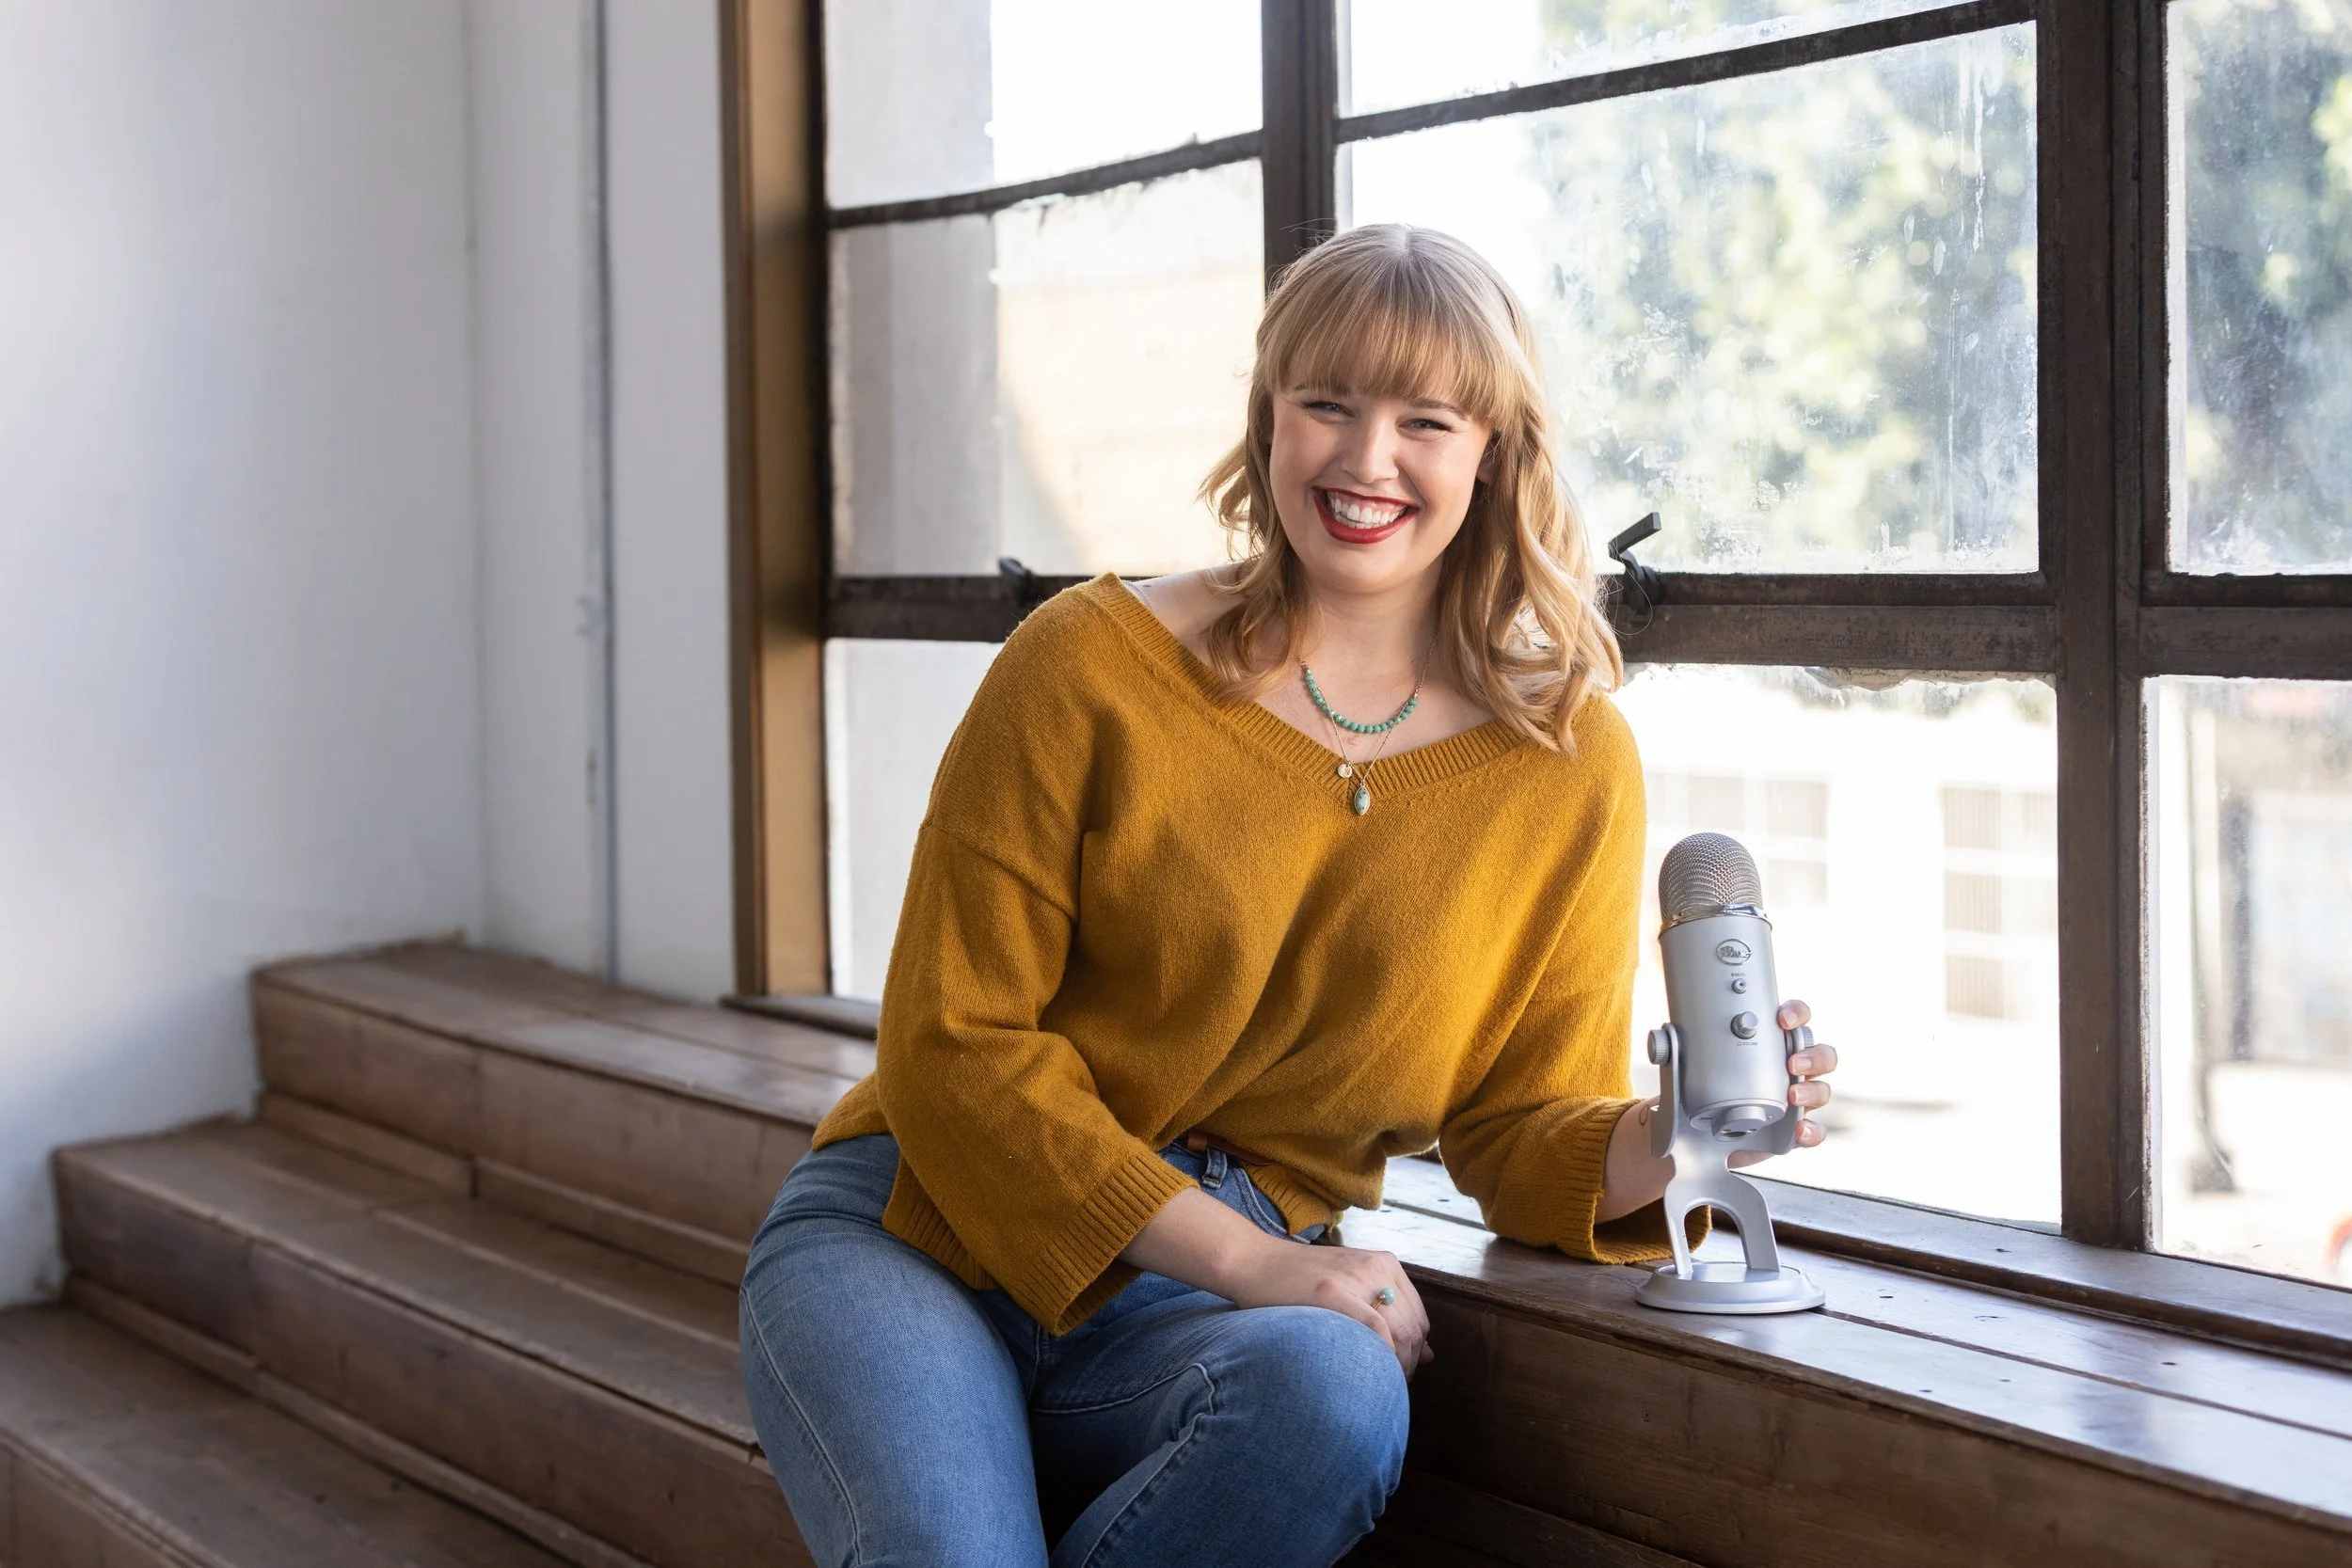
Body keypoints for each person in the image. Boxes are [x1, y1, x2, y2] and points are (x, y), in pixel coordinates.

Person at [738, 223, 1838, 1568]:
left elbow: (1515, 1119)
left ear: (1493, 449)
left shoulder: (1565, 760)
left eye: (1425, 419)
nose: (1366, 459)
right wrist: (1257, 1264)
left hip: (1185, 1318)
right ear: (1269, 420)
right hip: (916, 1229)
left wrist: (1674, 1133)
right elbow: (949, 1046)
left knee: (1336, 1392)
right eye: (1328, 403)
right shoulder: (1085, 665)